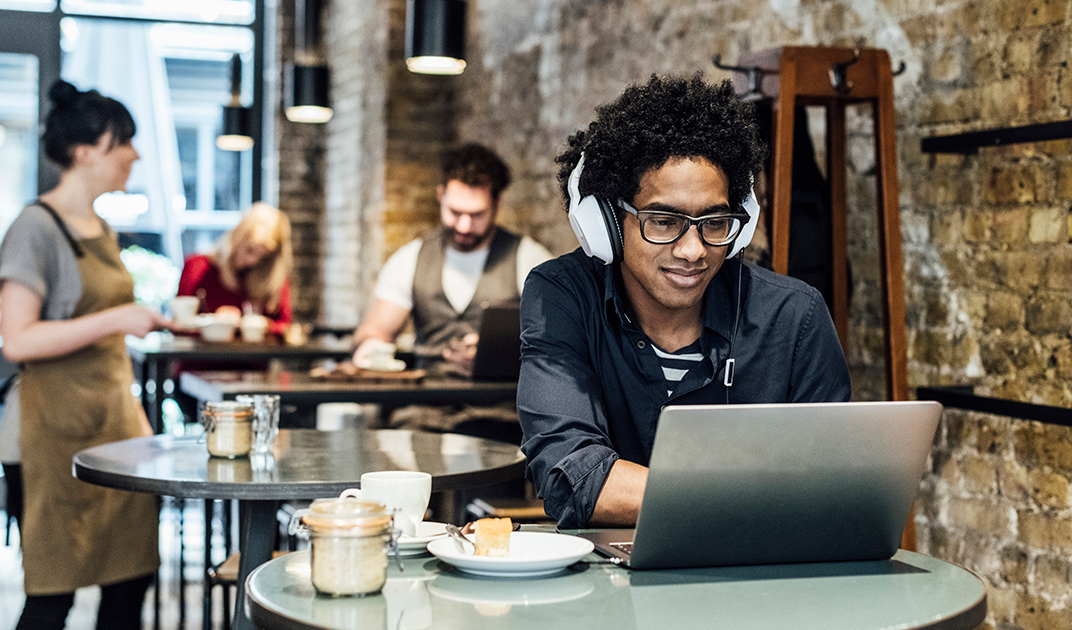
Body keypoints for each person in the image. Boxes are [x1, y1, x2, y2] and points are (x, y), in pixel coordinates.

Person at [518, 74, 852, 529]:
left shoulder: (795, 317)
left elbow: (830, 486)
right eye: (662, 220)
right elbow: (573, 476)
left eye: (714, 222)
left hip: (758, 583)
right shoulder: (563, 296)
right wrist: (758, 495)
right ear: (609, 222)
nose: (692, 250)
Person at [0, 80, 166, 630]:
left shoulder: (102, 228)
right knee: (53, 592)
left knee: (129, 582)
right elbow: (17, 340)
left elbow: (106, 343)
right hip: (53, 436)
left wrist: (138, 420)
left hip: (117, 430)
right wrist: (118, 317)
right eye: (124, 143)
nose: (134, 155)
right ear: (85, 151)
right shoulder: (34, 228)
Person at [353, 143, 552, 374]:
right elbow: (376, 330)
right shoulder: (410, 259)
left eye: (477, 215)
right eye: (455, 212)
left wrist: (500, 353)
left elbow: (556, 342)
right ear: (440, 196)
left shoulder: (529, 259)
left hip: (498, 404)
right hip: (425, 403)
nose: (464, 226)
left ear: (497, 205)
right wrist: (369, 345)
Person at [177, 201, 293, 335]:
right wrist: (216, 323)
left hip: (251, 355)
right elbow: (180, 327)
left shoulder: (272, 277)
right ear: (237, 235)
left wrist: (256, 324)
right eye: (249, 250)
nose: (253, 261)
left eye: (263, 258)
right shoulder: (197, 267)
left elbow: (285, 326)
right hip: (205, 355)